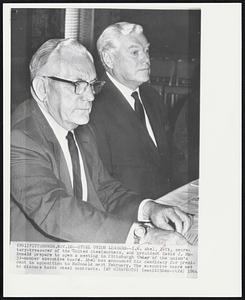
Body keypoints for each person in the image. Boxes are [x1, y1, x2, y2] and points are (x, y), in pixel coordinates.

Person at [11, 38, 191, 244]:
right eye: (78, 85)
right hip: (39, 259)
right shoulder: (20, 138)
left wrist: (149, 209)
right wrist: (142, 236)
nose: (89, 96)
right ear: (42, 88)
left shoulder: (81, 129)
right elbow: (54, 208)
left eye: (92, 85)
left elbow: (104, 189)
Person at [90, 22, 171, 200]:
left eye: (147, 51)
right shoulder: (93, 107)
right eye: (135, 52)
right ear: (109, 59)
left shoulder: (152, 97)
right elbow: (101, 186)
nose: (146, 59)